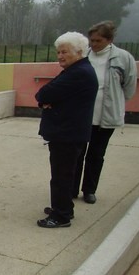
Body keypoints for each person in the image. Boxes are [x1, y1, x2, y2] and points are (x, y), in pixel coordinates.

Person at [35, 32, 98, 228]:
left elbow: (43, 93)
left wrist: (47, 100)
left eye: (64, 52)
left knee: (61, 176)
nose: (60, 56)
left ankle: (60, 215)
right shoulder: (76, 70)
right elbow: (47, 95)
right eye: (58, 52)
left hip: (67, 133)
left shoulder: (79, 73)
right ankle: (63, 207)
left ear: (79, 52)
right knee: (65, 174)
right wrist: (47, 101)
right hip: (69, 132)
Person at [73, 21, 138, 205]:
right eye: (91, 40)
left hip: (105, 118)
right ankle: (72, 188)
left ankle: (89, 190)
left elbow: (129, 87)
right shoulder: (83, 56)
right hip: (82, 116)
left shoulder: (123, 58)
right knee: (76, 154)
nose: (93, 44)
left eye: (98, 40)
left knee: (96, 154)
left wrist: (113, 103)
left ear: (109, 40)